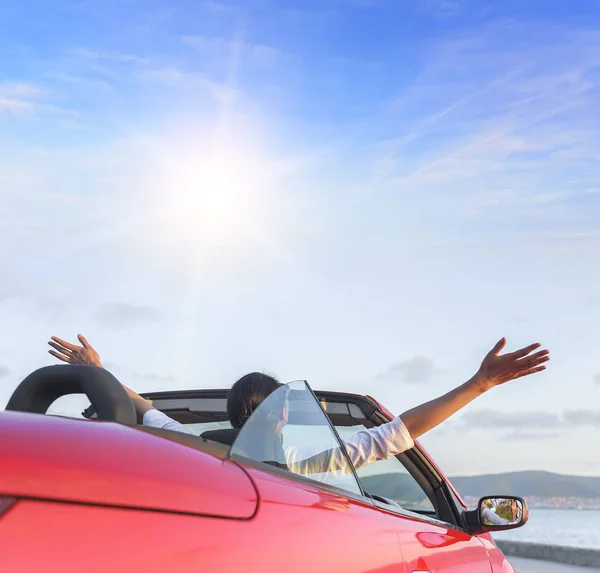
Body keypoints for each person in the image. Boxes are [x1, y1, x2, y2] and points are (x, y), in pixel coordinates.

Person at [48, 334, 550, 474]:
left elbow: (141, 407)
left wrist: (97, 371)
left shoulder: (193, 449)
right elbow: (398, 434)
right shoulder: (303, 468)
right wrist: (478, 385)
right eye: (278, 407)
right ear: (280, 414)